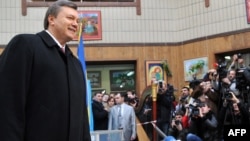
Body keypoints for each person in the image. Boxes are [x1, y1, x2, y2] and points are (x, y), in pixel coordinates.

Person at [0, 1, 91, 141]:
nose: (75, 24)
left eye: (77, 21)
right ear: (51, 19)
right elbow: (8, 105)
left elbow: (82, 119)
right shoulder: (26, 45)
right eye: (70, 18)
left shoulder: (76, 64)